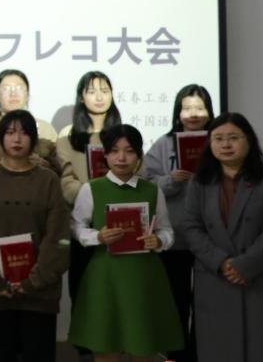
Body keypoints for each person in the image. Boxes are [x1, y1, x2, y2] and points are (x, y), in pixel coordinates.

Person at [180, 113, 263, 362]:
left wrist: (245, 265)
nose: (225, 144)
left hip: (262, 274)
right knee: (220, 347)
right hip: (216, 277)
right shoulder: (199, 182)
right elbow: (192, 227)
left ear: (249, 140)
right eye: (218, 138)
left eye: (233, 137)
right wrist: (221, 262)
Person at [67, 124, 182, 361]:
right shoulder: (91, 189)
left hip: (144, 277)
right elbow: (77, 227)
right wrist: (97, 236)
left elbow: (166, 229)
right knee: (105, 346)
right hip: (105, 276)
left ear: (139, 156)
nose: (121, 157)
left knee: (143, 346)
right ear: (105, 155)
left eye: (129, 151)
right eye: (114, 151)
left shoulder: (152, 190)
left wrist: (158, 240)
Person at [0, 110, 70, 362]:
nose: (17, 139)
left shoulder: (49, 180)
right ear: (0, 138)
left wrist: (34, 281)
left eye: (24, 133)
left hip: (40, 293)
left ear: (33, 140)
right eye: (10, 132)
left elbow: (58, 236)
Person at [140, 84, 213, 362]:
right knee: (177, 302)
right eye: (187, 108)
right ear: (177, 112)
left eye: (199, 107)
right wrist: (171, 180)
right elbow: (147, 184)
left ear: (209, 111)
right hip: (176, 239)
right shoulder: (163, 144)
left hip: (211, 238)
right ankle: (177, 357)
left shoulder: (219, 141)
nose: (193, 114)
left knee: (207, 302)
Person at [55, 70, 123, 304]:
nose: (99, 97)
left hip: (120, 223)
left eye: (105, 90)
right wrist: (94, 194)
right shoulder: (67, 138)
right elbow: (66, 182)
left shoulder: (123, 135)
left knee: (118, 297)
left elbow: (139, 174)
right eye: (92, 91)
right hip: (83, 224)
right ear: (82, 97)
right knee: (84, 296)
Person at [0, 69, 59, 172]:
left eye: (19, 88)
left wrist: (43, 165)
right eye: (6, 88)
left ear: (27, 95)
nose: (13, 93)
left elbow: (61, 169)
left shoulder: (46, 129)